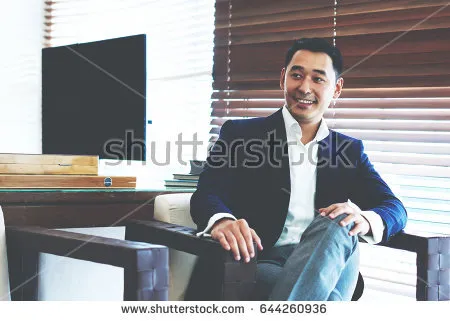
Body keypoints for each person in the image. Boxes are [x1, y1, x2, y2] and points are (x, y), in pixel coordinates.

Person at [189, 38, 407, 301]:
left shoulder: (348, 151)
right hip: (260, 262)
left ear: (336, 88)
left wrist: (365, 218)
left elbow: (393, 207)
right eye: (297, 75)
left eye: (318, 79)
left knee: (340, 221)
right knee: (329, 299)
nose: (304, 87)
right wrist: (223, 221)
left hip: (332, 262)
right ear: (283, 78)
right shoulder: (241, 134)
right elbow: (207, 193)